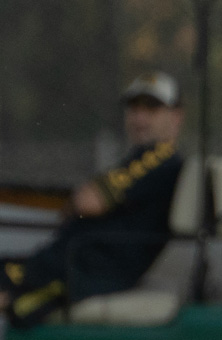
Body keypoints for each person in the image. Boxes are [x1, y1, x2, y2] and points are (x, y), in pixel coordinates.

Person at [2, 74, 186, 327]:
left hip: (84, 273)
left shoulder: (157, 158)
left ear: (176, 117)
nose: (139, 119)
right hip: (74, 264)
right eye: (134, 109)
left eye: (152, 109)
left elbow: (89, 202)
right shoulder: (142, 158)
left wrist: (79, 203)